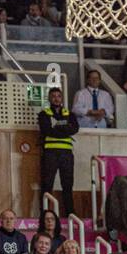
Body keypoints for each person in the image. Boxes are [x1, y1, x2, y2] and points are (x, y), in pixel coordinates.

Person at [37, 87, 79, 217]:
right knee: (47, 183)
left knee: (67, 184)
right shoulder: (44, 114)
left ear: (62, 98)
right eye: (53, 96)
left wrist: (56, 127)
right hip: (50, 153)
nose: (56, 98)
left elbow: (75, 129)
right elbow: (46, 130)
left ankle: (70, 213)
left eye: (59, 96)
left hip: (66, 153)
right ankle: (44, 213)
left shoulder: (69, 114)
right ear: (49, 98)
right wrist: (64, 128)